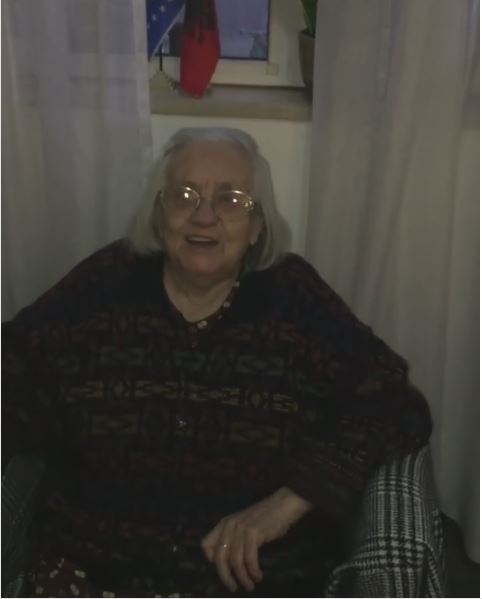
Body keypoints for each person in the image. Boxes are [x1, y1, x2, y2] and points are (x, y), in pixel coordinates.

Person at [3, 127, 432, 598]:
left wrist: (289, 501)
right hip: (93, 575)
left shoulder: (294, 299)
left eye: (230, 200)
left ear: (257, 226)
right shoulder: (104, 286)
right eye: (184, 196)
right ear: (160, 214)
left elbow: (394, 401)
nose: (204, 216)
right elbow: (15, 366)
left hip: (255, 582)